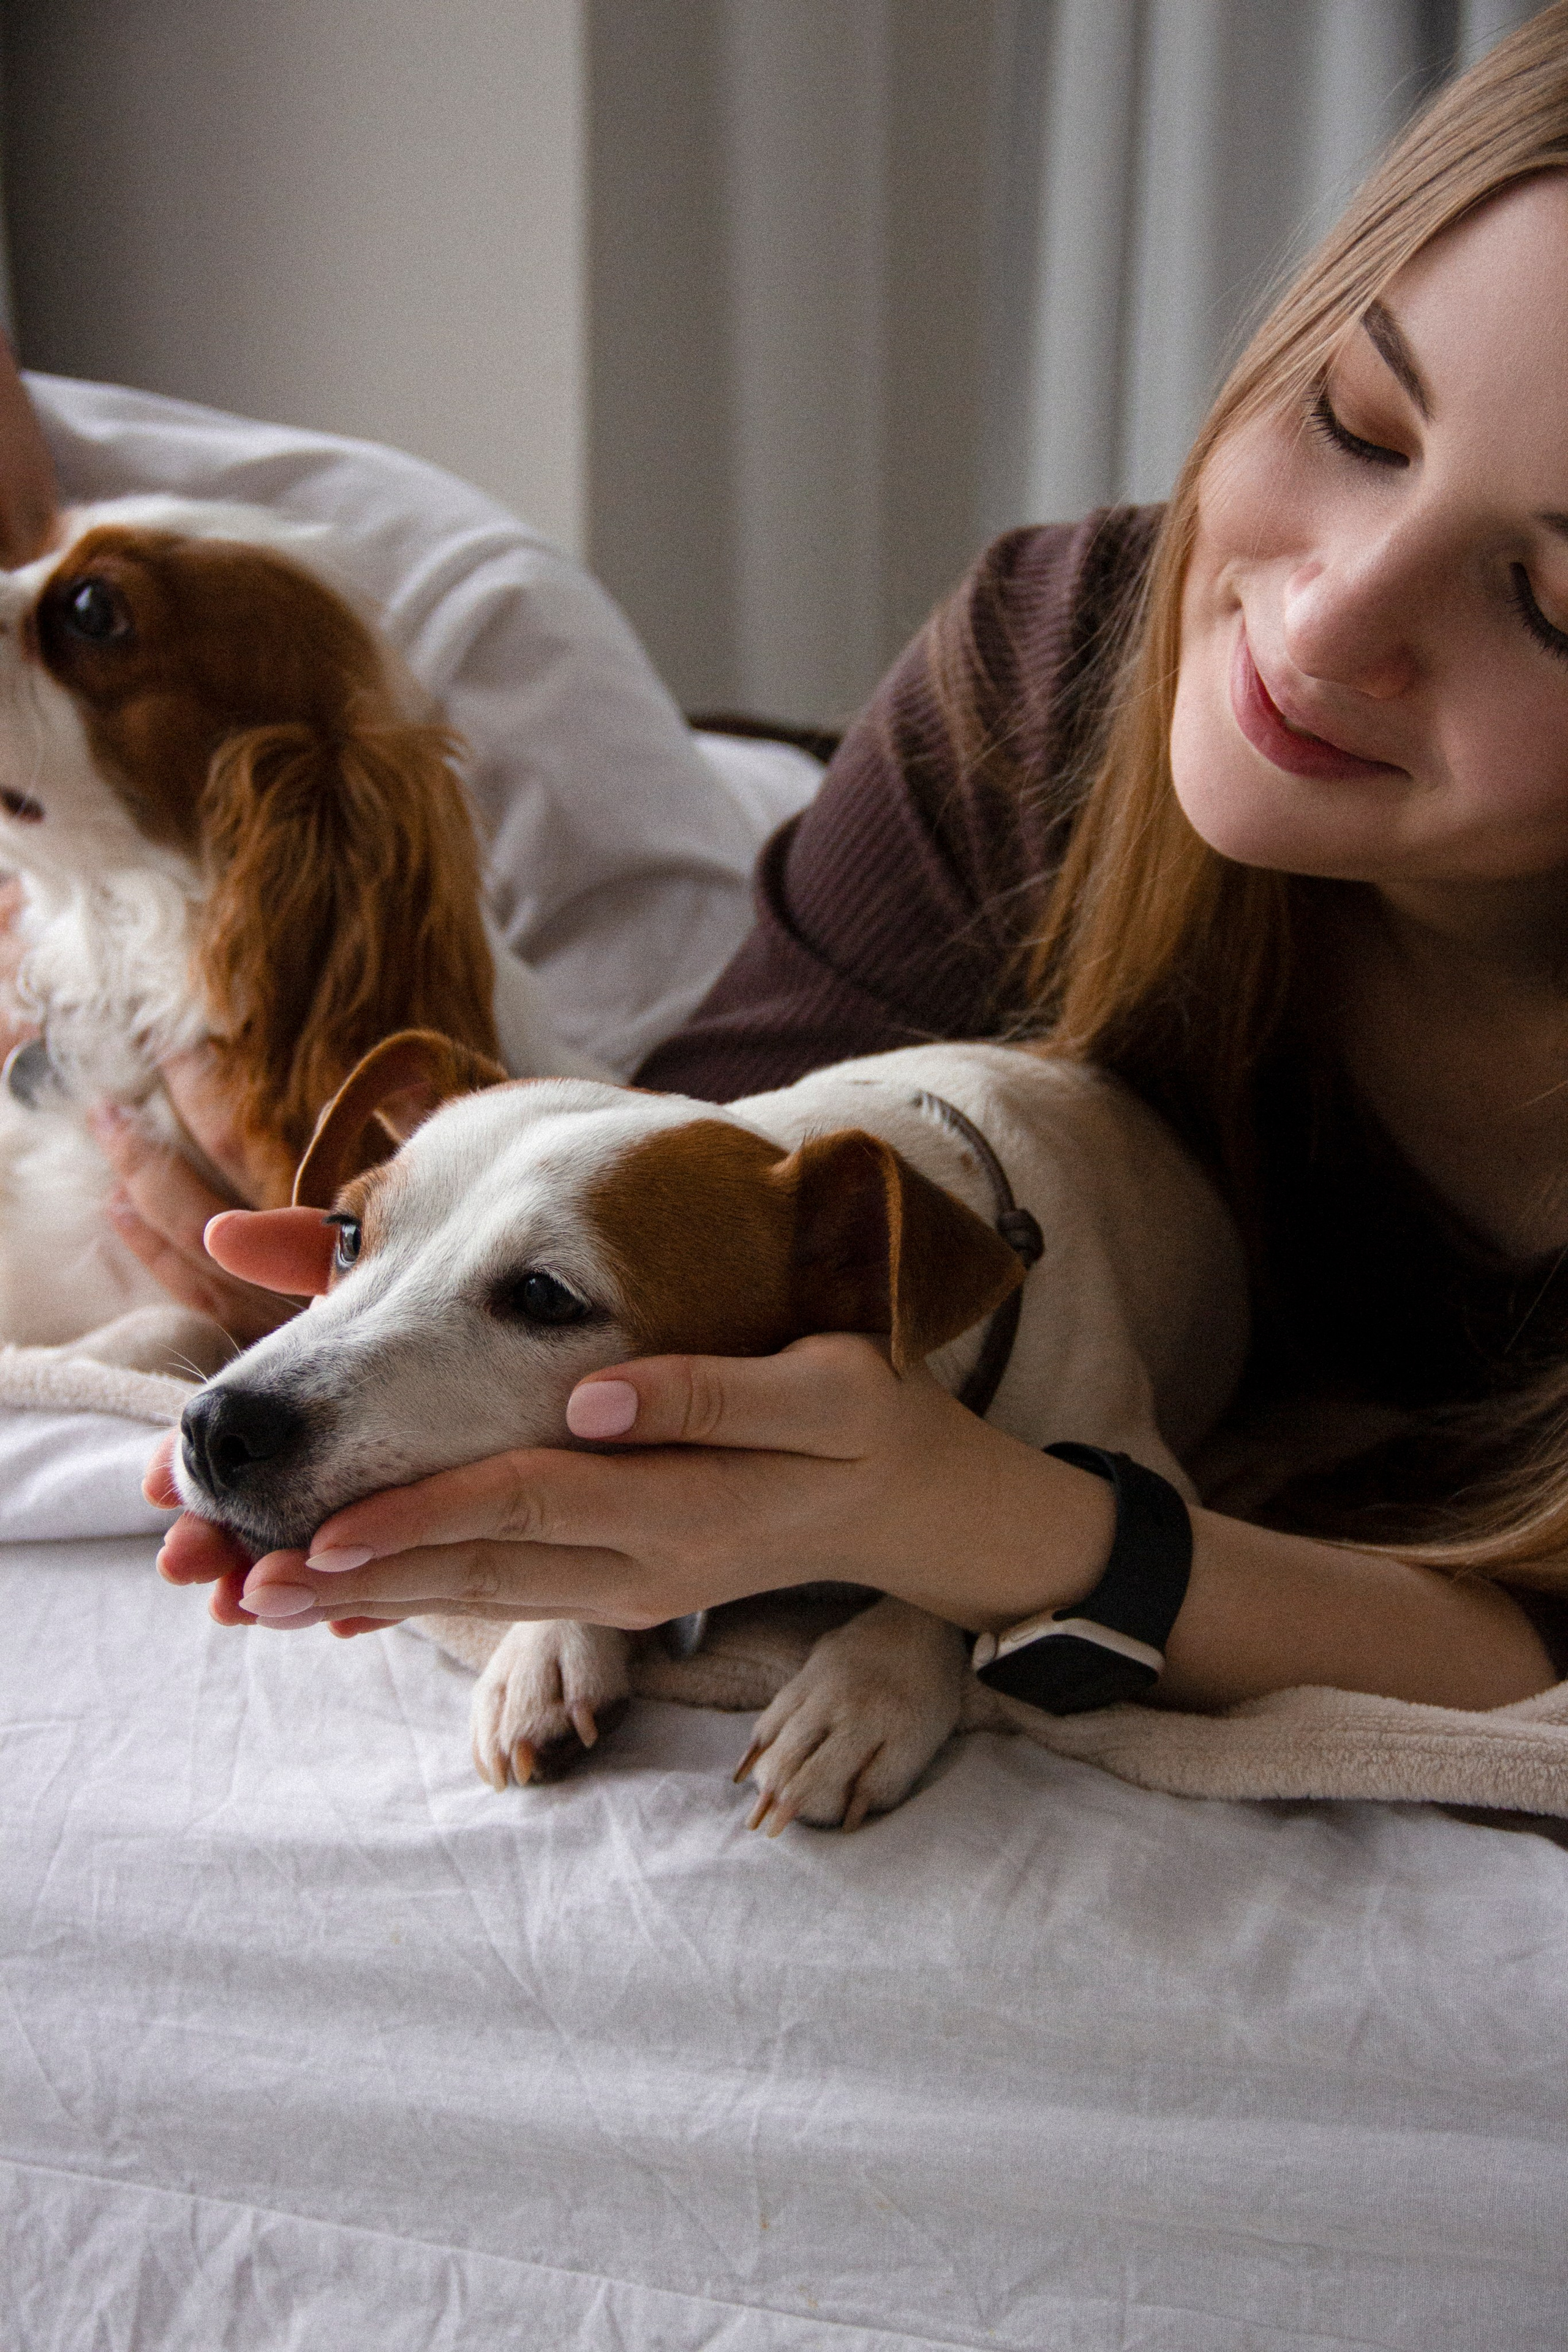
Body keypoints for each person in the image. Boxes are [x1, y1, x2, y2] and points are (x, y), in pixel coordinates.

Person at [125, 10, 1568, 1714]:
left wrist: (1004, 1532)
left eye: (1552, 598)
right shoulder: (1053, 673)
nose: (1323, 625)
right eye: (1355, 418)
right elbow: (717, 1205)